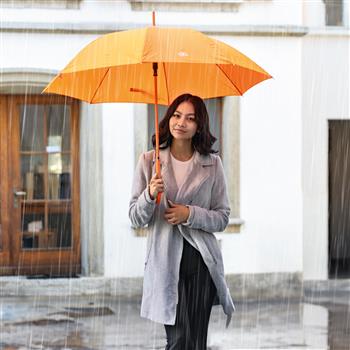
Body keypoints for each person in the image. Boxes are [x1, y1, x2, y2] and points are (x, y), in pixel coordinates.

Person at [129, 93, 235, 349]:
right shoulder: (149, 161)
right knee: (178, 341)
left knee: (195, 342)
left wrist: (189, 214)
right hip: (166, 261)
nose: (181, 122)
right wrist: (150, 194)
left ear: (199, 125)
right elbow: (135, 217)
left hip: (201, 261)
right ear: (168, 118)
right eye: (176, 115)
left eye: (190, 118)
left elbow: (222, 217)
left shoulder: (212, 164)